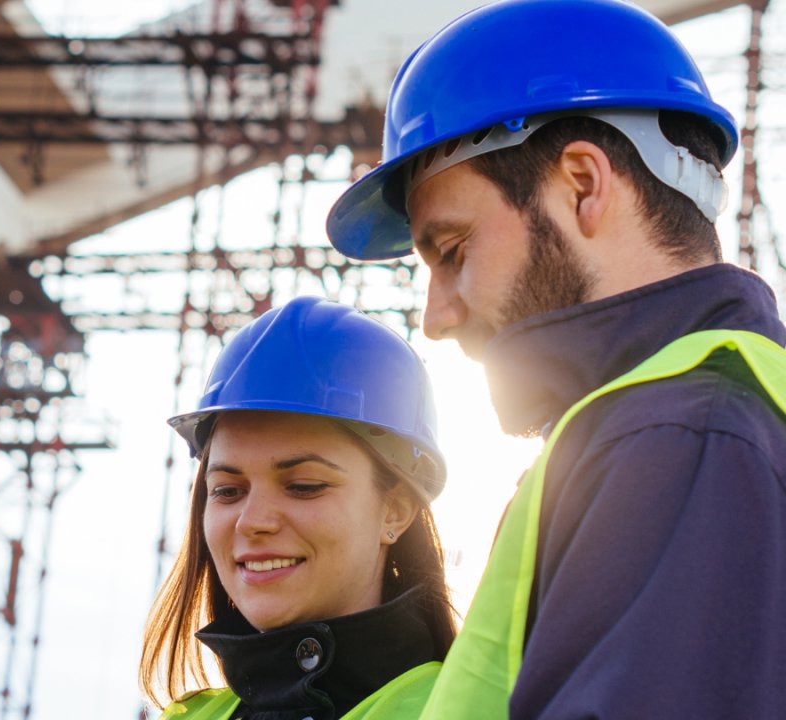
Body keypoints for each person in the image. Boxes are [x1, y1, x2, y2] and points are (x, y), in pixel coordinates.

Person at [325, 0, 786, 717]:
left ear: (583, 185)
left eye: (452, 253)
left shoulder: (674, 438)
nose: (436, 317)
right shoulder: (694, 423)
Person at [140, 296, 458, 720]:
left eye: (304, 486)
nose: (252, 522)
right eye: (227, 491)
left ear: (396, 510)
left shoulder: (464, 709)